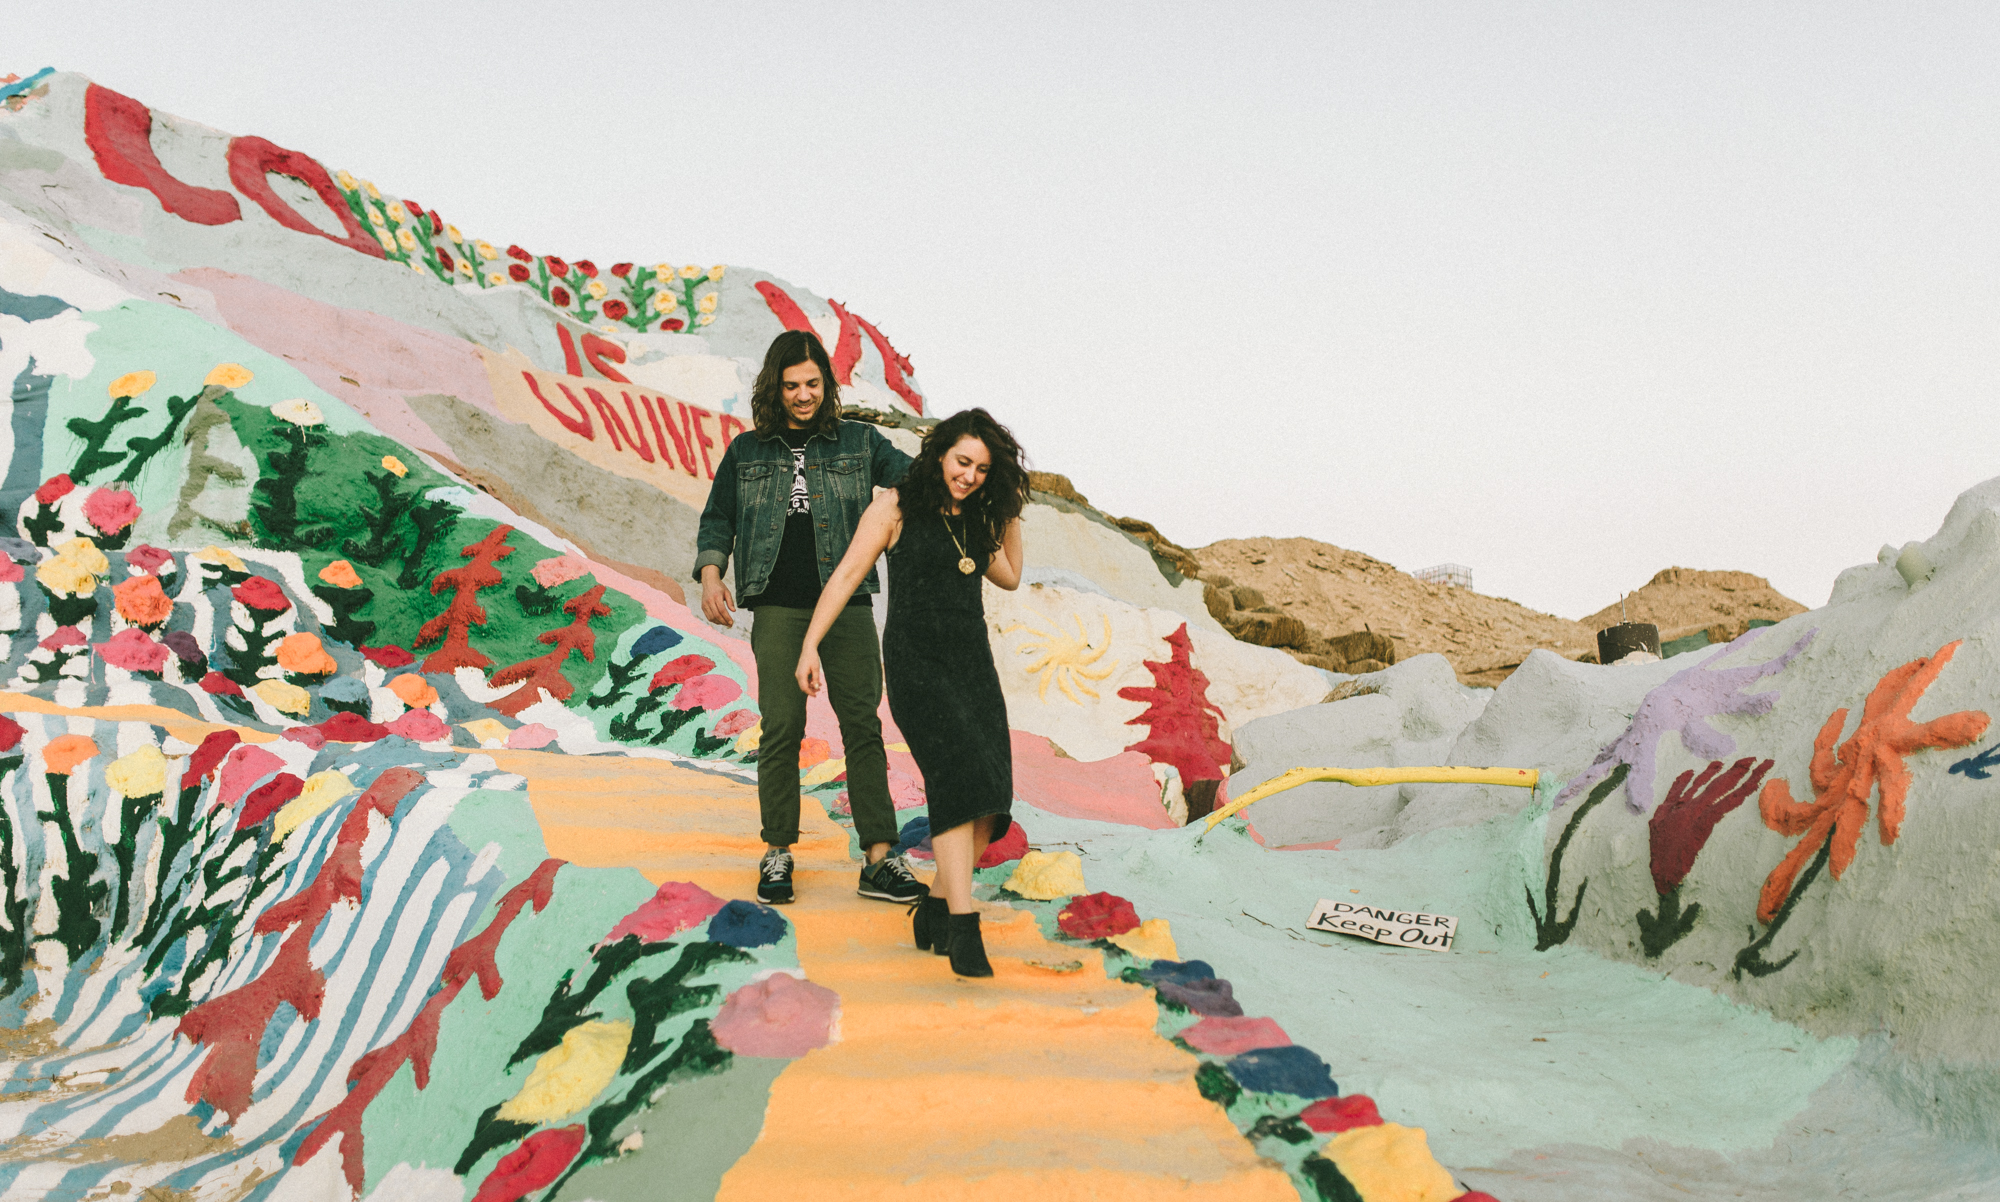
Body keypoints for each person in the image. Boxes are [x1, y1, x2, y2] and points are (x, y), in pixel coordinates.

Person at [695, 329, 923, 907]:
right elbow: (718, 516)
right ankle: (777, 851)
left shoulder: (861, 442)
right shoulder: (747, 450)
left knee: (861, 724)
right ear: (776, 386)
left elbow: (915, 483)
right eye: (791, 385)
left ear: (827, 384)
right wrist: (711, 571)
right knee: (781, 727)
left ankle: (879, 857)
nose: (803, 396)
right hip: (776, 601)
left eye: (813, 384)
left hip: (846, 603)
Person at [796, 408, 1026, 977]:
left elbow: (1010, 576)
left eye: (981, 469)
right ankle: (963, 927)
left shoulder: (977, 518)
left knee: (992, 792)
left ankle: (937, 904)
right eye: (962, 462)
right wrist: (809, 647)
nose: (969, 475)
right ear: (941, 454)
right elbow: (848, 573)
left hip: (972, 662)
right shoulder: (895, 505)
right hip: (916, 663)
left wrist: (1011, 509)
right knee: (954, 778)